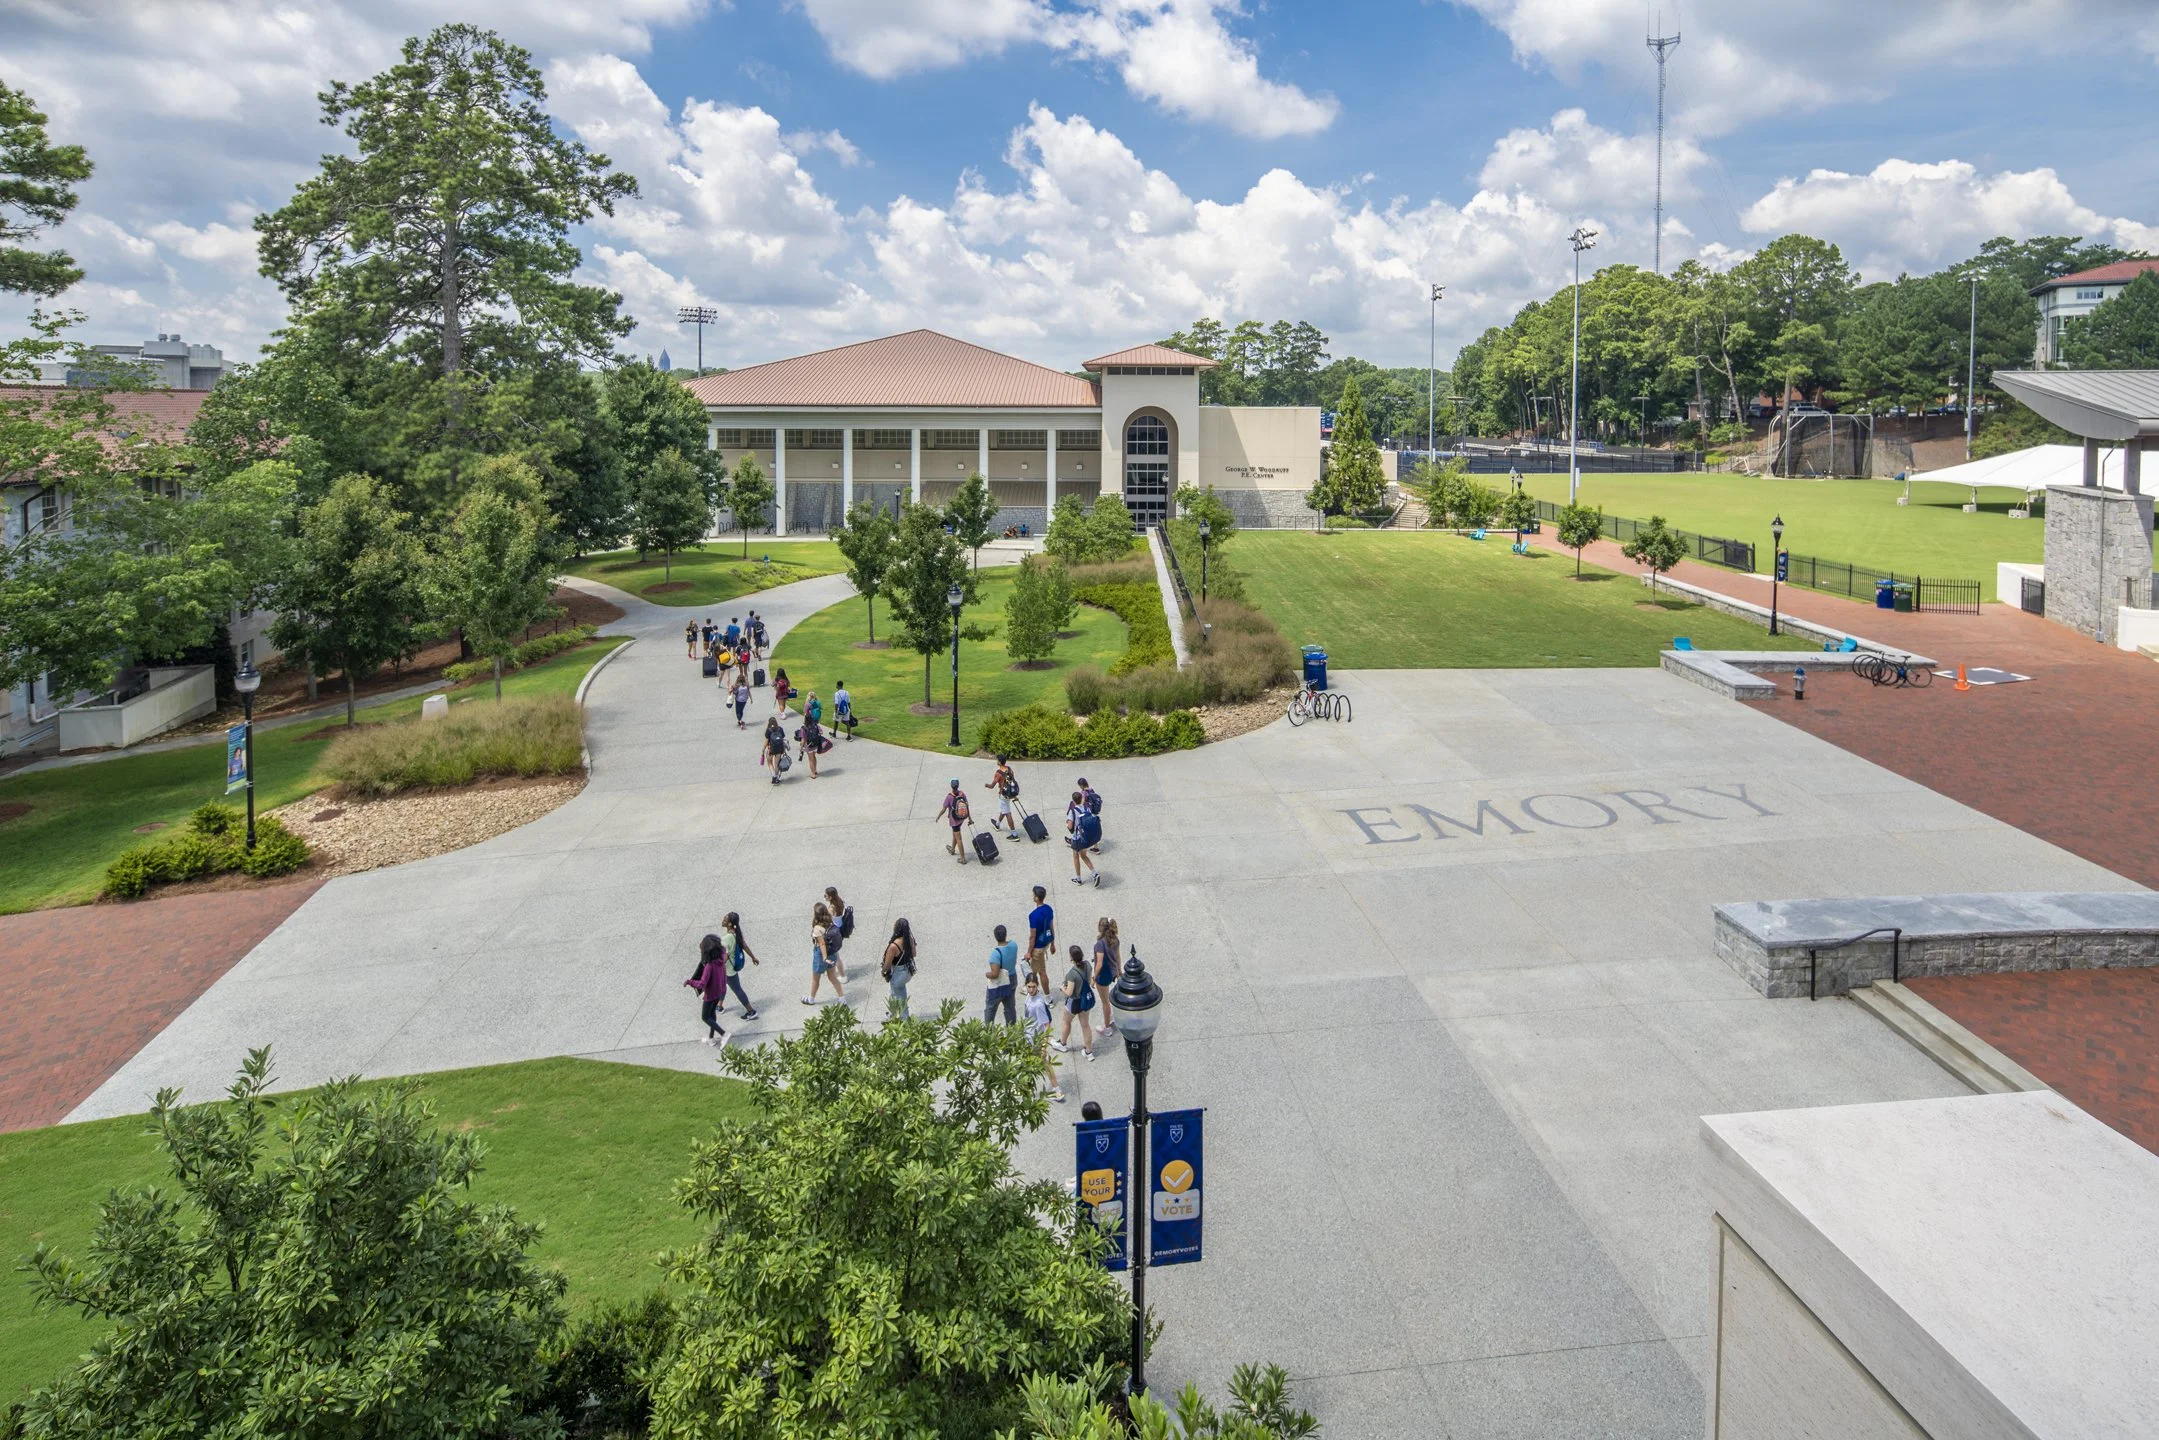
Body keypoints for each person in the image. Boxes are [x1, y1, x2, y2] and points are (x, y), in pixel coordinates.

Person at [1022, 974, 1064, 1104]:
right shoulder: (1030, 997)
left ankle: (1057, 1090)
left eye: (1033, 987)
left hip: (1036, 1038)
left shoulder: (1039, 1004)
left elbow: (1047, 1025)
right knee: (1028, 1063)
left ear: (1037, 986)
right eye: (1029, 987)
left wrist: (1043, 1045)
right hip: (1029, 1035)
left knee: (1044, 1064)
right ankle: (1026, 1087)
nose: (1030, 990)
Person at [685, 935, 731, 1046]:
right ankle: (711, 1038)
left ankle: (723, 1033)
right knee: (711, 1015)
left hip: (710, 995)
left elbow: (702, 984)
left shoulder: (709, 966)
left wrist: (689, 982)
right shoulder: (721, 958)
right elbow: (724, 949)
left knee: (705, 1017)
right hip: (719, 992)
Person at [1053, 942, 1096, 1060]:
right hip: (1085, 1000)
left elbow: (1069, 992)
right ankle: (1089, 1052)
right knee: (1085, 1026)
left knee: (1066, 1021)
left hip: (1074, 1002)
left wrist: (1062, 988)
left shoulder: (1072, 974)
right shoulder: (1087, 965)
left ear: (1071, 958)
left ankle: (1062, 1043)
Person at [719, 912, 760, 1019]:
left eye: (725, 918)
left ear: (729, 924)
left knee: (737, 990)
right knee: (722, 985)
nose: (723, 919)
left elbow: (725, 957)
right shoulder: (736, 934)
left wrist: (715, 965)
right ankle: (719, 1005)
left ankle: (751, 1011)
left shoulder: (726, 938)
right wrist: (753, 957)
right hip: (730, 969)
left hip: (727, 970)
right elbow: (744, 946)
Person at [804, 900, 843, 1005]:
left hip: (821, 955)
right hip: (832, 954)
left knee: (815, 979)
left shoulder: (817, 928)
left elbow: (821, 944)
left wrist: (824, 958)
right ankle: (842, 998)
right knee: (833, 977)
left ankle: (811, 999)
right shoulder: (830, 922)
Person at [881, 917, 918, 1019]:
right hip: (907, 971)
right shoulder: (909, 939)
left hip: (898, 973)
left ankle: (904, 1019)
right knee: (900, 992)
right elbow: (914, 954)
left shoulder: (894, 946)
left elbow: (887, 965)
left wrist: (884, 971)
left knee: (897, 996)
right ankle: (894, 1014)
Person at [984, 922, 1020, 1024]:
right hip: (1012, 979)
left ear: (995, 937)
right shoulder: (1013, 945)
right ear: (1005, 934)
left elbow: (995, 974)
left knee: (990, 1008)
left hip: (999, 984)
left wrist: (987, 974)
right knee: (1010, 1008)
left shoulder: (995, 954)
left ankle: (988, 1031)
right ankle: (1012, 1030)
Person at [1067, 790, 1102, 886]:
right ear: (1082, 799)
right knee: (1083, 855)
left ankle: (1078, 878)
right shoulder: (1087, 809)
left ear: (1073, 801)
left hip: (1077, 838)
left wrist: (1068, 825)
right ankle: (1094, 873)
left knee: (1075, 856)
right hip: (1086, 837)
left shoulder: (1073, 811)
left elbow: (1070, 826)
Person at [1092, 917, 1120, 1034]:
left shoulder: (1100, 944)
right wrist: (1119, 970)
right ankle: (1110, 1017)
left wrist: (1094, 978)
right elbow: (1118, 956)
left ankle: (1107, 1027)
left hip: (1103, 974)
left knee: (1105, 1002)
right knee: (1107, 999)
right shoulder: (1115, 940)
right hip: (1113, 971)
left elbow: (1099, 964)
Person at [822, 887, 854, 984]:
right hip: (839, 930)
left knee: (836, 955)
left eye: (825, 896)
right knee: (833, 953)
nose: (824, 897)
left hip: (833, 934)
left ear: (830, 897)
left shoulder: (832, 908)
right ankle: (831, 969)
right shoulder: (839, 902)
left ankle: (842, 975)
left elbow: (827, 921)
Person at [1025, 885, 1055, 991]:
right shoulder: (1049, 909)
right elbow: (1051, 927)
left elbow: (1032, 937)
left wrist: (1029, 952)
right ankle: (1029, 985)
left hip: (1038, 947)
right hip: (1046, 942)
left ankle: (1047, 997)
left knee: (1041, 972)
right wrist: (1052, 943)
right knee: (1033, 968)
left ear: (1037, 898)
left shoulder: (1033, 915)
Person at [938, 778, 971, 862]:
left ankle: (963, 858)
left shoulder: (949, 797)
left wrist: (938, 816)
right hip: (961, 819)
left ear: (951, 786)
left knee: (959, 838)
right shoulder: (962, 793)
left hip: (954, 820)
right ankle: (952, 849)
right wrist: (969, 818)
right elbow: (967, 805)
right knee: (955, 835)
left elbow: (944, 809)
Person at [990, 755, 1021, 840]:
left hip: (1004, 795)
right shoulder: (1010, 769)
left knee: (1007, 813)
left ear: (999, 762)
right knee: (1004, 809)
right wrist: (1014, 795)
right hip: (1010, 794)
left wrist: (987, 785)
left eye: (997, 760)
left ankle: (1014, 834)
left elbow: (992, 785)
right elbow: (1012, 782)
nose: (996, 761)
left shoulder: (998, 773)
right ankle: (997, 824)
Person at [1078, 777, 1103, 853]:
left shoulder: (1084, 793)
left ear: (1081, 785)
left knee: (1082, 828)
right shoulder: (1091, 790)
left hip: (1087, 813)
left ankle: (1081, 844)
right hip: (1094, 813)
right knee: (1094, 829)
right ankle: (1096, 848)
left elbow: (1081, 804)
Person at [763, 715, 789, 783]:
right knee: (777, 764)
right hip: (779, 749)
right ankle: (777, 777)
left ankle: (774, 776)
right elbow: (782, 739)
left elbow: (766, 742)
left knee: (769, 763)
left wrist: (762, 750)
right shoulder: (780, 729)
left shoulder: (768, 730)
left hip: (770, 749)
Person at [800, 711, 825, 779]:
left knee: (810, 759)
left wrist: (801, 748)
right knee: (814, 757)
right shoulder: (815, 725)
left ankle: (813, 774)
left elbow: (803, 740)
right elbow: (821, 732)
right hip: (816, 744)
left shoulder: (804, 728)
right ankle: (815, 770)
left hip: (809, 746)